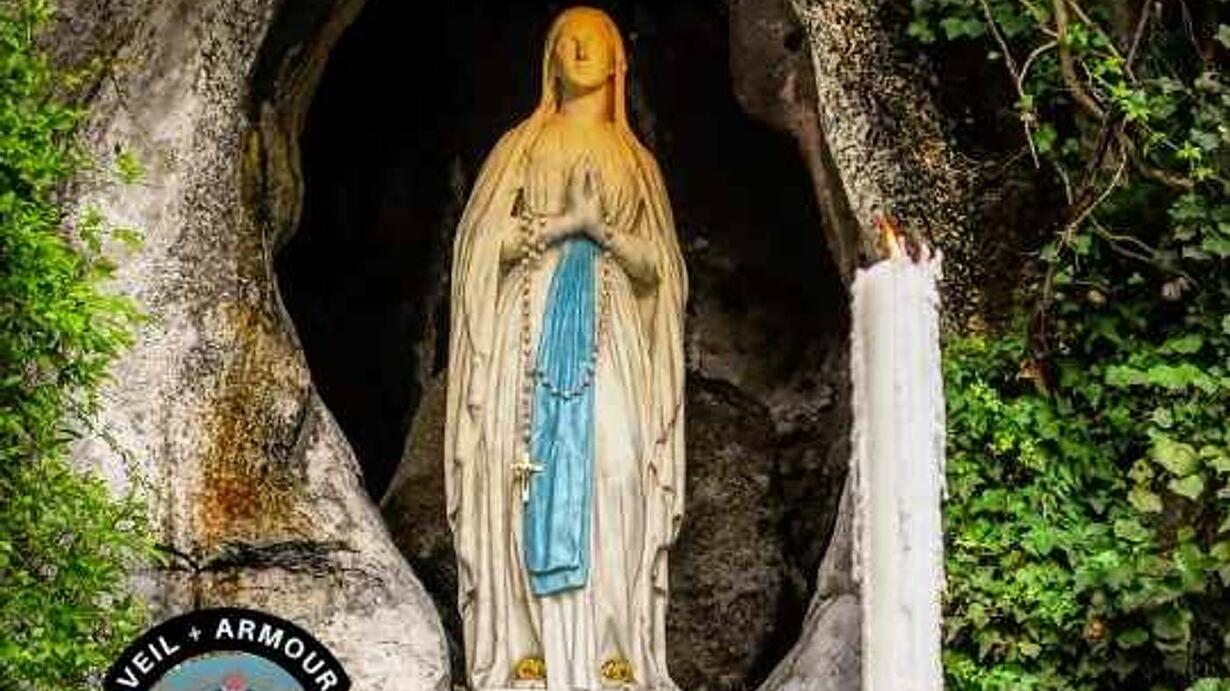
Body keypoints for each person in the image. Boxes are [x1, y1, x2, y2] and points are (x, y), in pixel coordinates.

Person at [442, 7, 687, 689]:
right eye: (567, 40)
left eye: (594, 38)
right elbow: (476, 246)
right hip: (524, 327)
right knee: (519, 471)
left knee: (617, 467)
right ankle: (530, 651)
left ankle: (614, 652)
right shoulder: (518, 148)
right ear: (549, 59)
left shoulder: (637, 164)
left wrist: (598, 230)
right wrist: (542, 231)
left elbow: (661, 271)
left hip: (611, 334)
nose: (580, 47)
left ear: (617, 61)